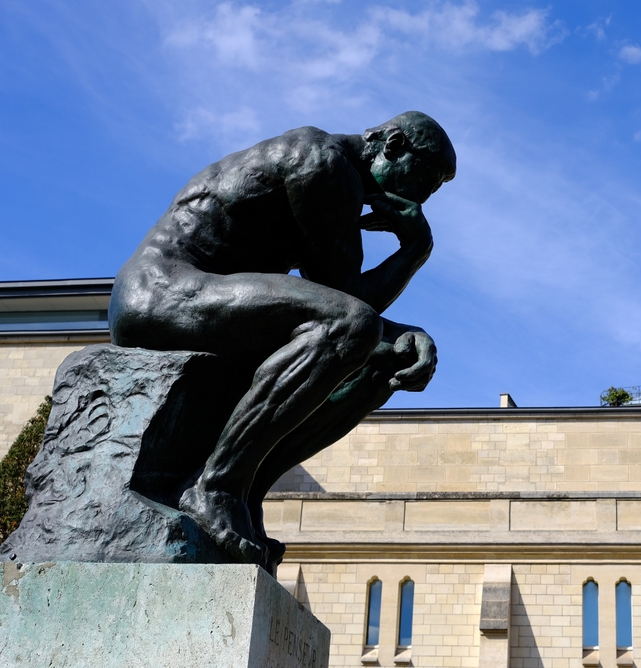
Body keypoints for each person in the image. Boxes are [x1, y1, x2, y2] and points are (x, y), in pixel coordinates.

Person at [109, 111, 455, 569]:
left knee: (383, 360)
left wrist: (405, 337)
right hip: (160, 291)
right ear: (391, 145)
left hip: (216, 302)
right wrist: (414, 250)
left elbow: (343, 303)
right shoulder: (323, 162)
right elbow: (349, 303)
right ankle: (216, 486)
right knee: (354, 328)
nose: (420, 197)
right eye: (424, 179)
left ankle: (246, 490)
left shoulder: (344, 182)